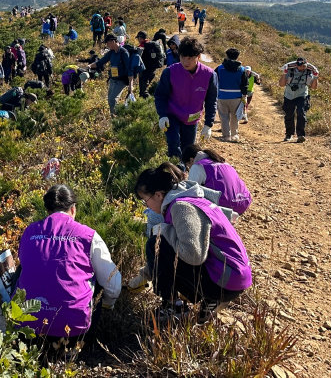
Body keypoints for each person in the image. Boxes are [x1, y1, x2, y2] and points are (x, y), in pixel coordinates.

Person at [133, 163, 251, 322]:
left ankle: (174, 307)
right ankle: (211, 301)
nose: (146, 205)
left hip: (223, 282)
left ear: (158, 195)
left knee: (156, 241)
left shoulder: (181, 208)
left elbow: (193, 255)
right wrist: (145, 274)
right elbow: (167, 257)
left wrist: (164, 230)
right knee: (164, 241)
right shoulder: (192, 198)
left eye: (145, 200)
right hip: (236, 278)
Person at [16, 184, 121, 338]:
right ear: (73, 209)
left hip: (27, 328)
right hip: (74, 331)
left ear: (48, 210)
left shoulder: (29, 231)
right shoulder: (88, 235)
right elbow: (113, 284)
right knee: (99, 275)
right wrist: (107, 305)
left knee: (22, 270)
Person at [154, 37, 217, 159]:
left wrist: (208, 124)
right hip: (172, 115)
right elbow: (160, 95)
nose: (186, 61)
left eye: (190, 58)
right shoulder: (170, 72)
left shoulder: (209, 75)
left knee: (188, 150)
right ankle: (176, 173)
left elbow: (211, 101)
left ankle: (184, 171)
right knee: (174, 144)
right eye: (183, 57)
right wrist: (162, 115)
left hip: (192, 118)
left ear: (198, 57)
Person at [181, 144, 252, 215]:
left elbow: (191, 191)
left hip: (225, 207)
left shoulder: (197, 166)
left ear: (191, 160)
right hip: (243, 203)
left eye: (188, 166)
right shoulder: (224, 163)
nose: (189, 168)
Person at [89, 33, 134, 115]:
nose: (107, 45)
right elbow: (100, 62)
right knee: (110, 100)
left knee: (112, 100)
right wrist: (89, 66)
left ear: (113, 41)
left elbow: (129, 69)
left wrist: (131, 84)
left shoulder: (123, 52)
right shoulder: (111, 53)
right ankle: (115, 117)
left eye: (107, 43)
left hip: (121, 80)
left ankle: (117, 120)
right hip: (113, 79)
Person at [279, 57, 319, 143]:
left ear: (306, 64)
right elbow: (281, 84)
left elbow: (313, 87)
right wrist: (284, 74)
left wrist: (315, 77)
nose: (302, 68)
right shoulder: (290, 71)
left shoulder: (309, 72)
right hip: (289, 95)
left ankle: (301, 135)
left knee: (301, 113)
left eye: (304, 66)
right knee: (289, 115)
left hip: (302, 95)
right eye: (300, 66)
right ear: (296, 65)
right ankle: (289, 134)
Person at [214, 48, 248, 142]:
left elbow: (214, 80)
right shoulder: (241, 69)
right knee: (235, 117)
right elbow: (245, 84)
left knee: (224, 116)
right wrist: (244, 95)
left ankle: (226, 136)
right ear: (237, 57)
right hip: (236, 97)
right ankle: (234, 135)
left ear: (227, 56)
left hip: (222, 95)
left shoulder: (220, 68)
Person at [137, 31, 165, 98]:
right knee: (144, 90)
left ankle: (150, 102)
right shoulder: (151, 44)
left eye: (138, 38)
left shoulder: (143, 46)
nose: (138, 40)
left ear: (141, 38)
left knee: (143, 91)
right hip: (152, 70)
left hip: (145, 71)